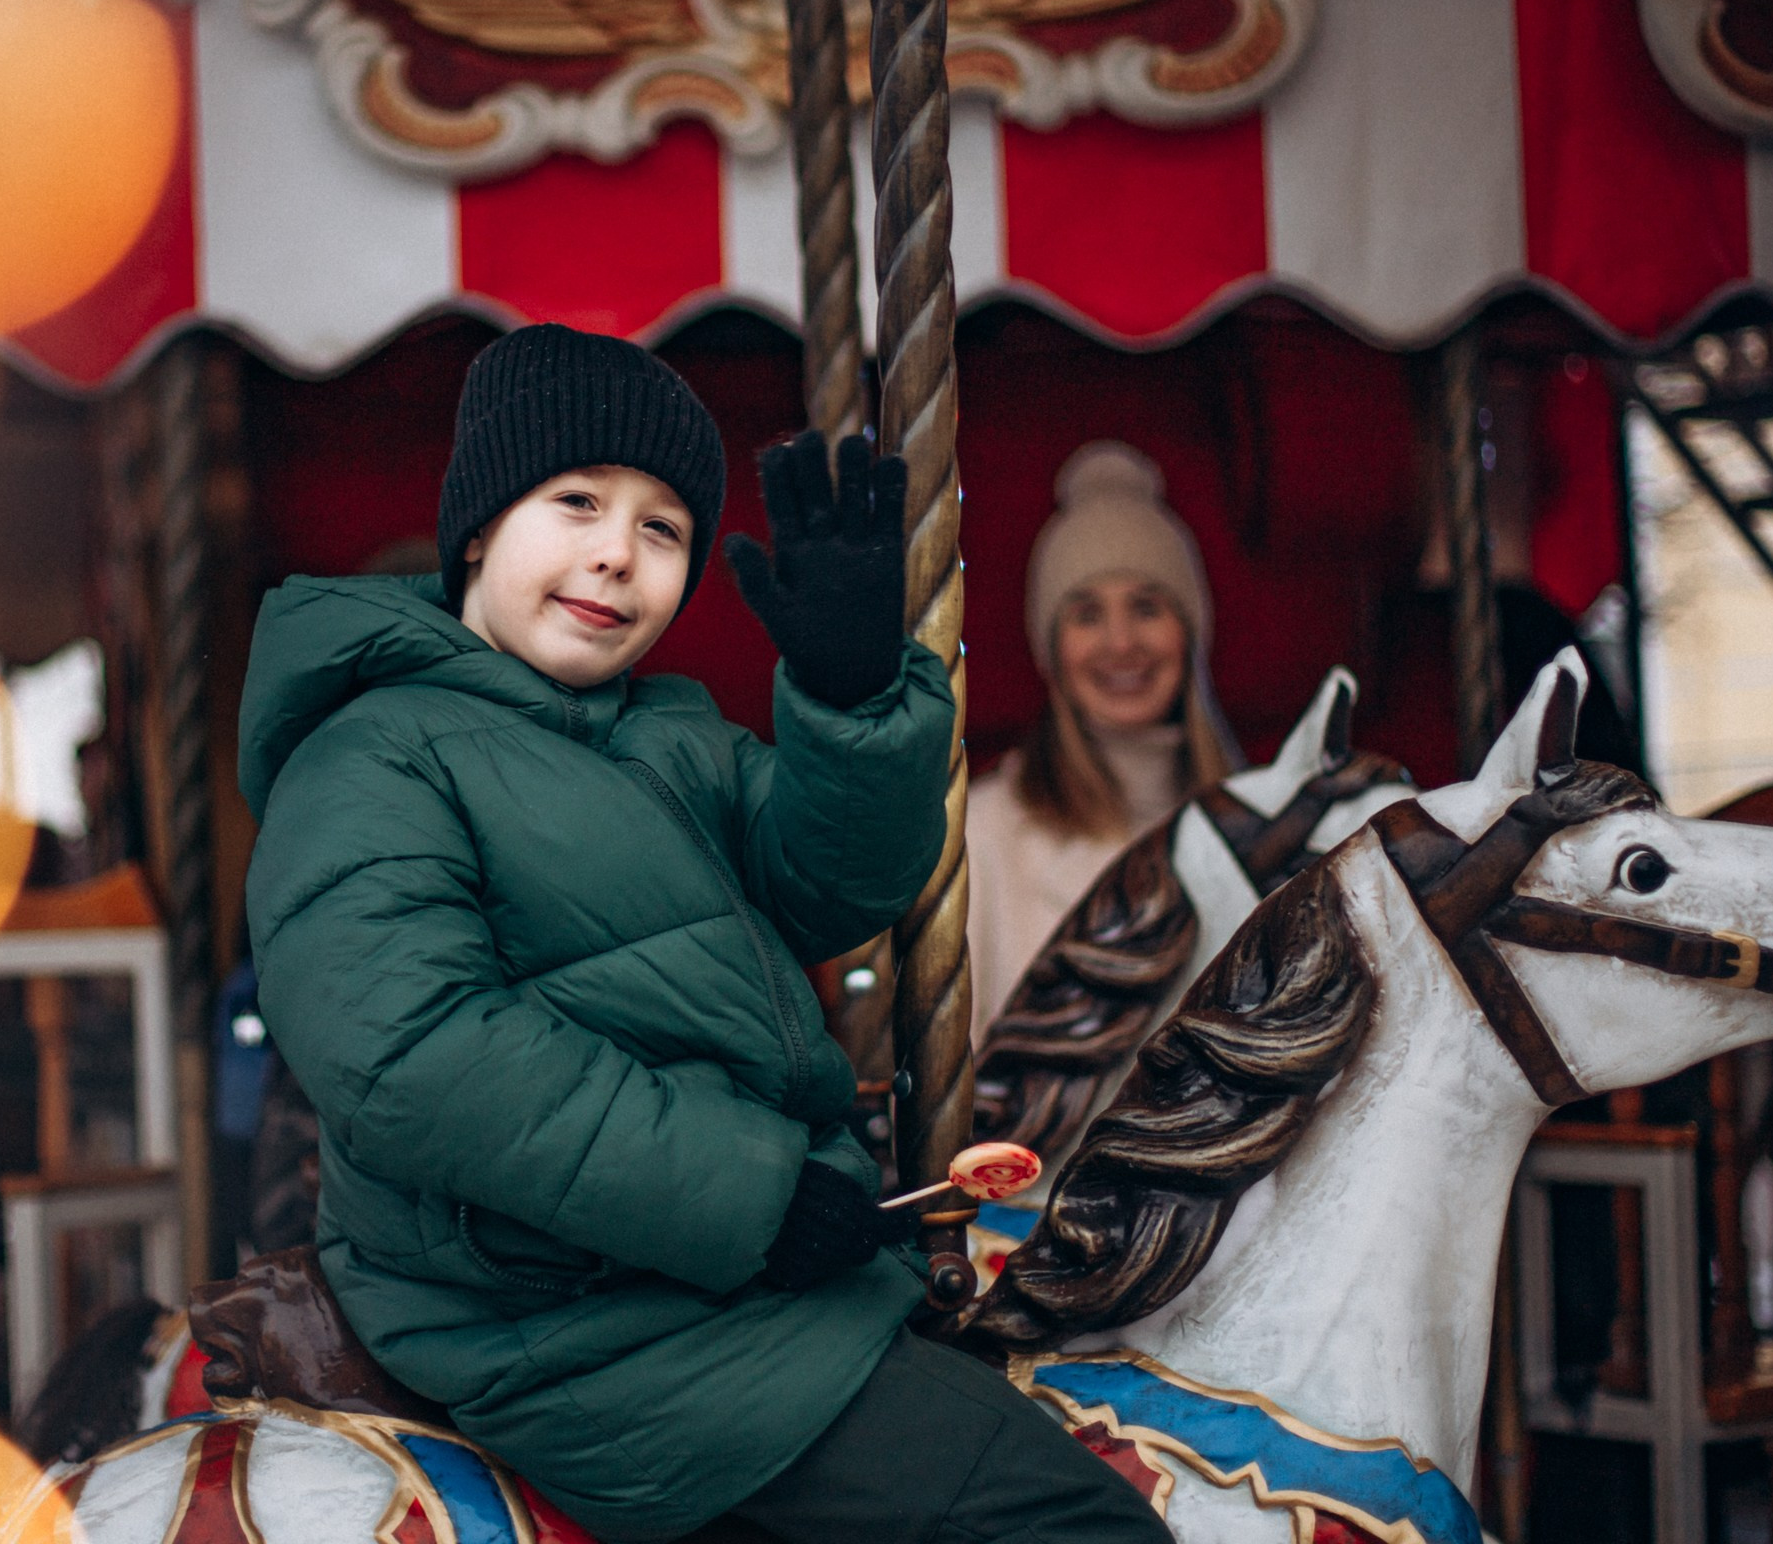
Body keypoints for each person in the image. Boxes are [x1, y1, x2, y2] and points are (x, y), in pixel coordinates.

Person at [238, 325, 1171, 1544]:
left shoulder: (669, 736)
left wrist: (851, 700)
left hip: (699, 1284)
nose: (616, 553)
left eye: (663, 528)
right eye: (577, 502)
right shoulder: (370, 754)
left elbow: (835, 884)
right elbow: (414, 1055)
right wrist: (754, 1193)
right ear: (478, 528)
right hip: (570, 1321)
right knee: (1071, 1522)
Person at [968, 441, 1240, 1042]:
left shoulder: (1256, 829)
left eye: (1146, 607)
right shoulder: (982, 835)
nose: (1121, 642)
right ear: (1052, 649)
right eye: (1087, 614)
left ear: (1189, 632)